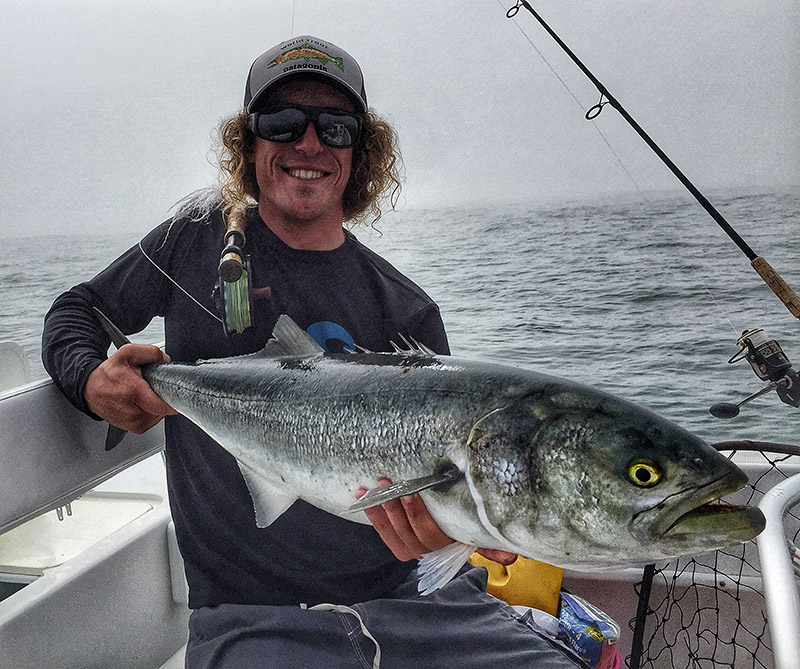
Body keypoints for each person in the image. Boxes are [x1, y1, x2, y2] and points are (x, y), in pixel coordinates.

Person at [42, 36, 587, 668]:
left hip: (413, 607)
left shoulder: (405, 310)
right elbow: (76, 311)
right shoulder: (195, 244)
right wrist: (89, 383)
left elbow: (439, 507)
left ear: (363, 152)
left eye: (335, 126)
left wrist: (457, 532)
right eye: (281, 122)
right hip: (250, 618)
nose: (308, 144)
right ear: (249, 144)